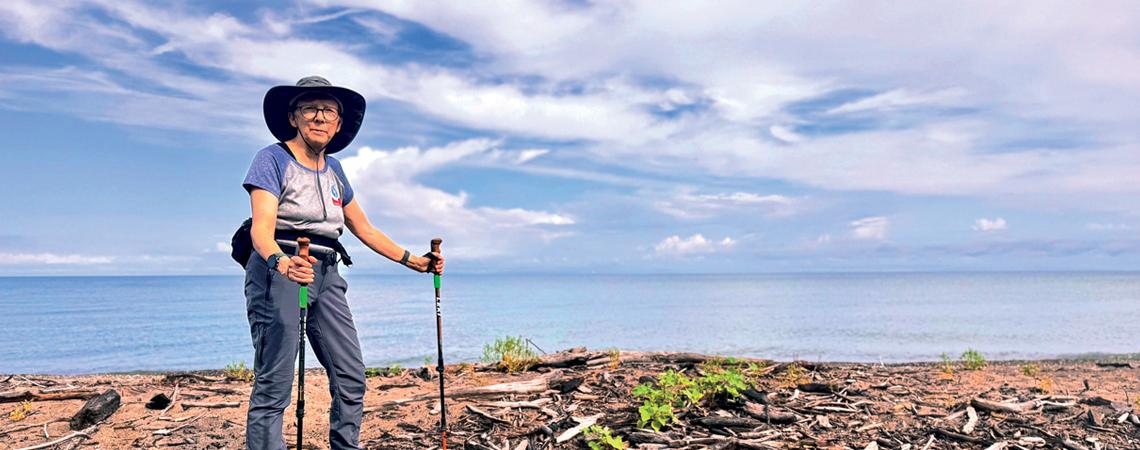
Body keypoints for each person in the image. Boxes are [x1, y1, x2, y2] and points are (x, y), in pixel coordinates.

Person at [241, 76, 444, 450]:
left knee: (351, 376)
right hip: (282, 271)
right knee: (274, 382)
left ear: (337, 123)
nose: (320, 117)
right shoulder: (271, 159)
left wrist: (415, 261)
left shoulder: (334, 169)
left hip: (328, 273)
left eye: (328, 111)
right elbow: (261, 229)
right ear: (293, 118)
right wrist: (281, 262)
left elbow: (363, 227)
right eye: (310, 109)